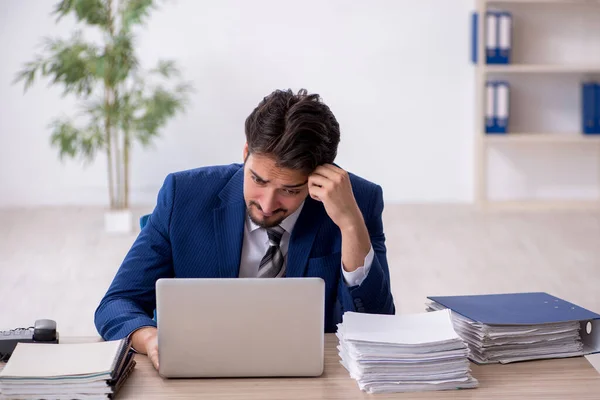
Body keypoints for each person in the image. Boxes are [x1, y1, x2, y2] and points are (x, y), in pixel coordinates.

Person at [94, 88, 395, 370]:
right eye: (258, 180)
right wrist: (150, 338)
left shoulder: (358, 202)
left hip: (311, 379)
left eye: (289, 190)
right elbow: (117, 302)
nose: (267, 204)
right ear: (246, 153)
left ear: (319, 177)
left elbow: (377, 329)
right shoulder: (183, 195)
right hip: (202, 372)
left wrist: (350, 223)